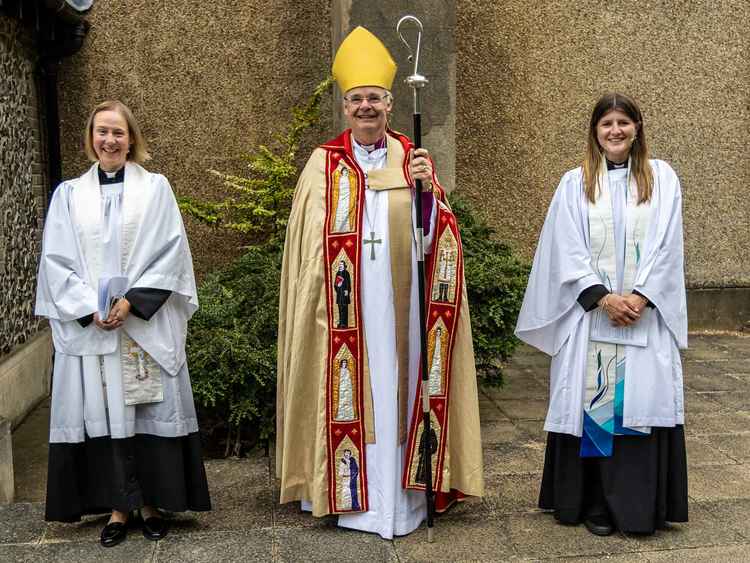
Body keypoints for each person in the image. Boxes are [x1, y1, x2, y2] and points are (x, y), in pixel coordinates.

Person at [276, 26, 483, 539]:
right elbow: (306, 255)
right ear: (344, 108)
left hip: (401, 309)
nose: (366, 107)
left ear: (390, 105)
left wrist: (425, 195)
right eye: (356, 99)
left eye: (375, 99)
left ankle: (402, 501)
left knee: (398, 391)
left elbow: (441, 237)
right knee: (351, 392)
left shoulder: (409, 158)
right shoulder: (321, 166)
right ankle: (348, 499)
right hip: (341, 315)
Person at [35, 100, 211, 547]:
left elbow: (171, 252)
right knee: (106, 412)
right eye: (102, 132)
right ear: (90, 139)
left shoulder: (156, 189)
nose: (110, 140)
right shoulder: (69, 195)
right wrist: (89, 307)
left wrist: (132, 302)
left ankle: (150, 504)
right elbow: (55, 261)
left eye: (118, 132)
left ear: (131, 138)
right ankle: (117, 509)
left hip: (141, 324)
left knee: (144, 410)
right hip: (94, 325)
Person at [515, 92, 688, 536]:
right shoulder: (574, 183)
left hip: (643, 316)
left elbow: (668, 244)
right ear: (595, 131)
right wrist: (603, 297)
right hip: (592, 317)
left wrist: (642, 297)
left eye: (623, 123)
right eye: (607, 123)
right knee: (594, 405)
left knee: (639, 406)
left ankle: (636, 506)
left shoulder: (661, 178)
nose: (615, 131)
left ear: (637, 129)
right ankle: (593, 504)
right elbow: (564, 246)